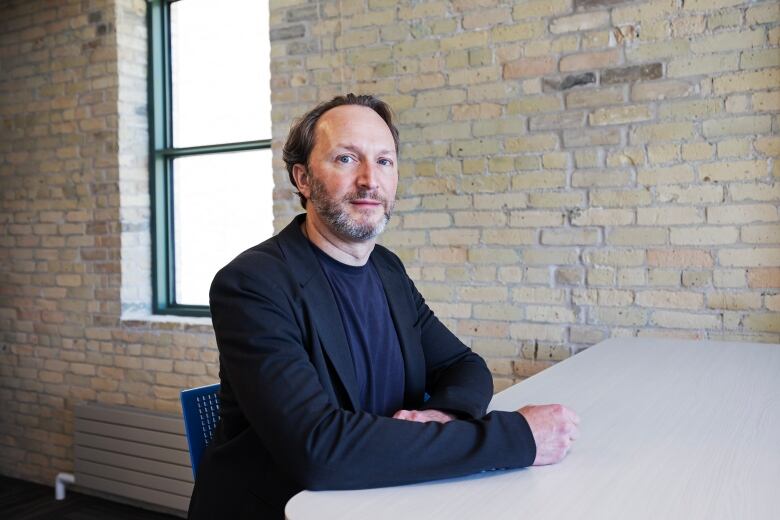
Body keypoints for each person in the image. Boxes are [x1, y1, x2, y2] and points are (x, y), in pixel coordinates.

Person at [187, 94, 580, 519]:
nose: (369, 180)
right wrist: (516, 438)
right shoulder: (252, 284)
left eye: (384, 161)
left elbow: (463, 366)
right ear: (302, 178)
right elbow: (318, 449)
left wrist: (438, 413)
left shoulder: (386, 269)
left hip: (385, 497)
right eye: (345, 159)